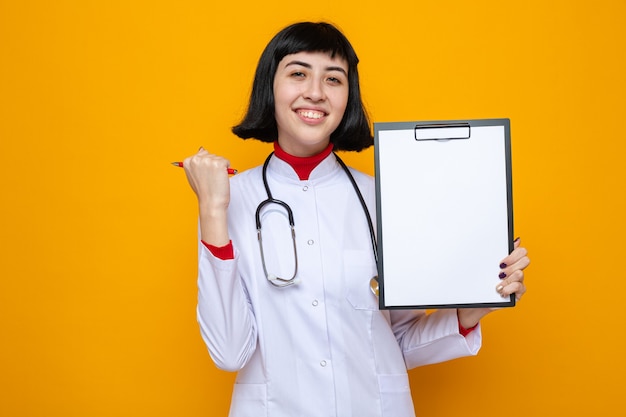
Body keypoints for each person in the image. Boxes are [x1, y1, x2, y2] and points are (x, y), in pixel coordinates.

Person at [182, 22, 530, 417]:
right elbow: (229, 351)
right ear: (270, 86)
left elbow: (399, 339)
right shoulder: (228, 200)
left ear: (348, 96)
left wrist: (473, 309)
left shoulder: (386, 198)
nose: (315, 92)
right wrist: (211, 211)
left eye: (334, 79)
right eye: (298, 73)